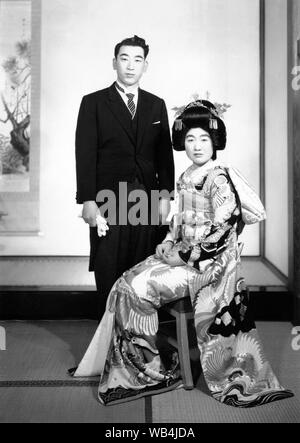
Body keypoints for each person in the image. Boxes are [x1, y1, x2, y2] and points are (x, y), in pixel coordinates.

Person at [71, 100, 293, 407]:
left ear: (215, 140)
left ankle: (149, 370)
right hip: (183, 253)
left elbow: (225, 227)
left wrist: (188, 255)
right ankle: (146, 365)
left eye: (203, 138)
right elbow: (180, 219)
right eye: (190, 139)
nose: (197, 145)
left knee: (138, 287)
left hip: (210, 264)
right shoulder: (188, 174)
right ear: (182, 142)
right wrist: (167, 239)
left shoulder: (219, 177)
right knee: (125, 281)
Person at [75, 35, 174, 319]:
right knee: (109, 266)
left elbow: (164, 155)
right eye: (125, 59)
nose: (131, 66)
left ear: (146, 66)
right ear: (114, 62)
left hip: (146, 194)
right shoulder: (94, 103)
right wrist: (88, 201)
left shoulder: (156, 105)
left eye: (138, 60)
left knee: (143, 268)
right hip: (109, 197)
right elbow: (84, 154)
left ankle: (139, 347)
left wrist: (165, 196)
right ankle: (108, 348)